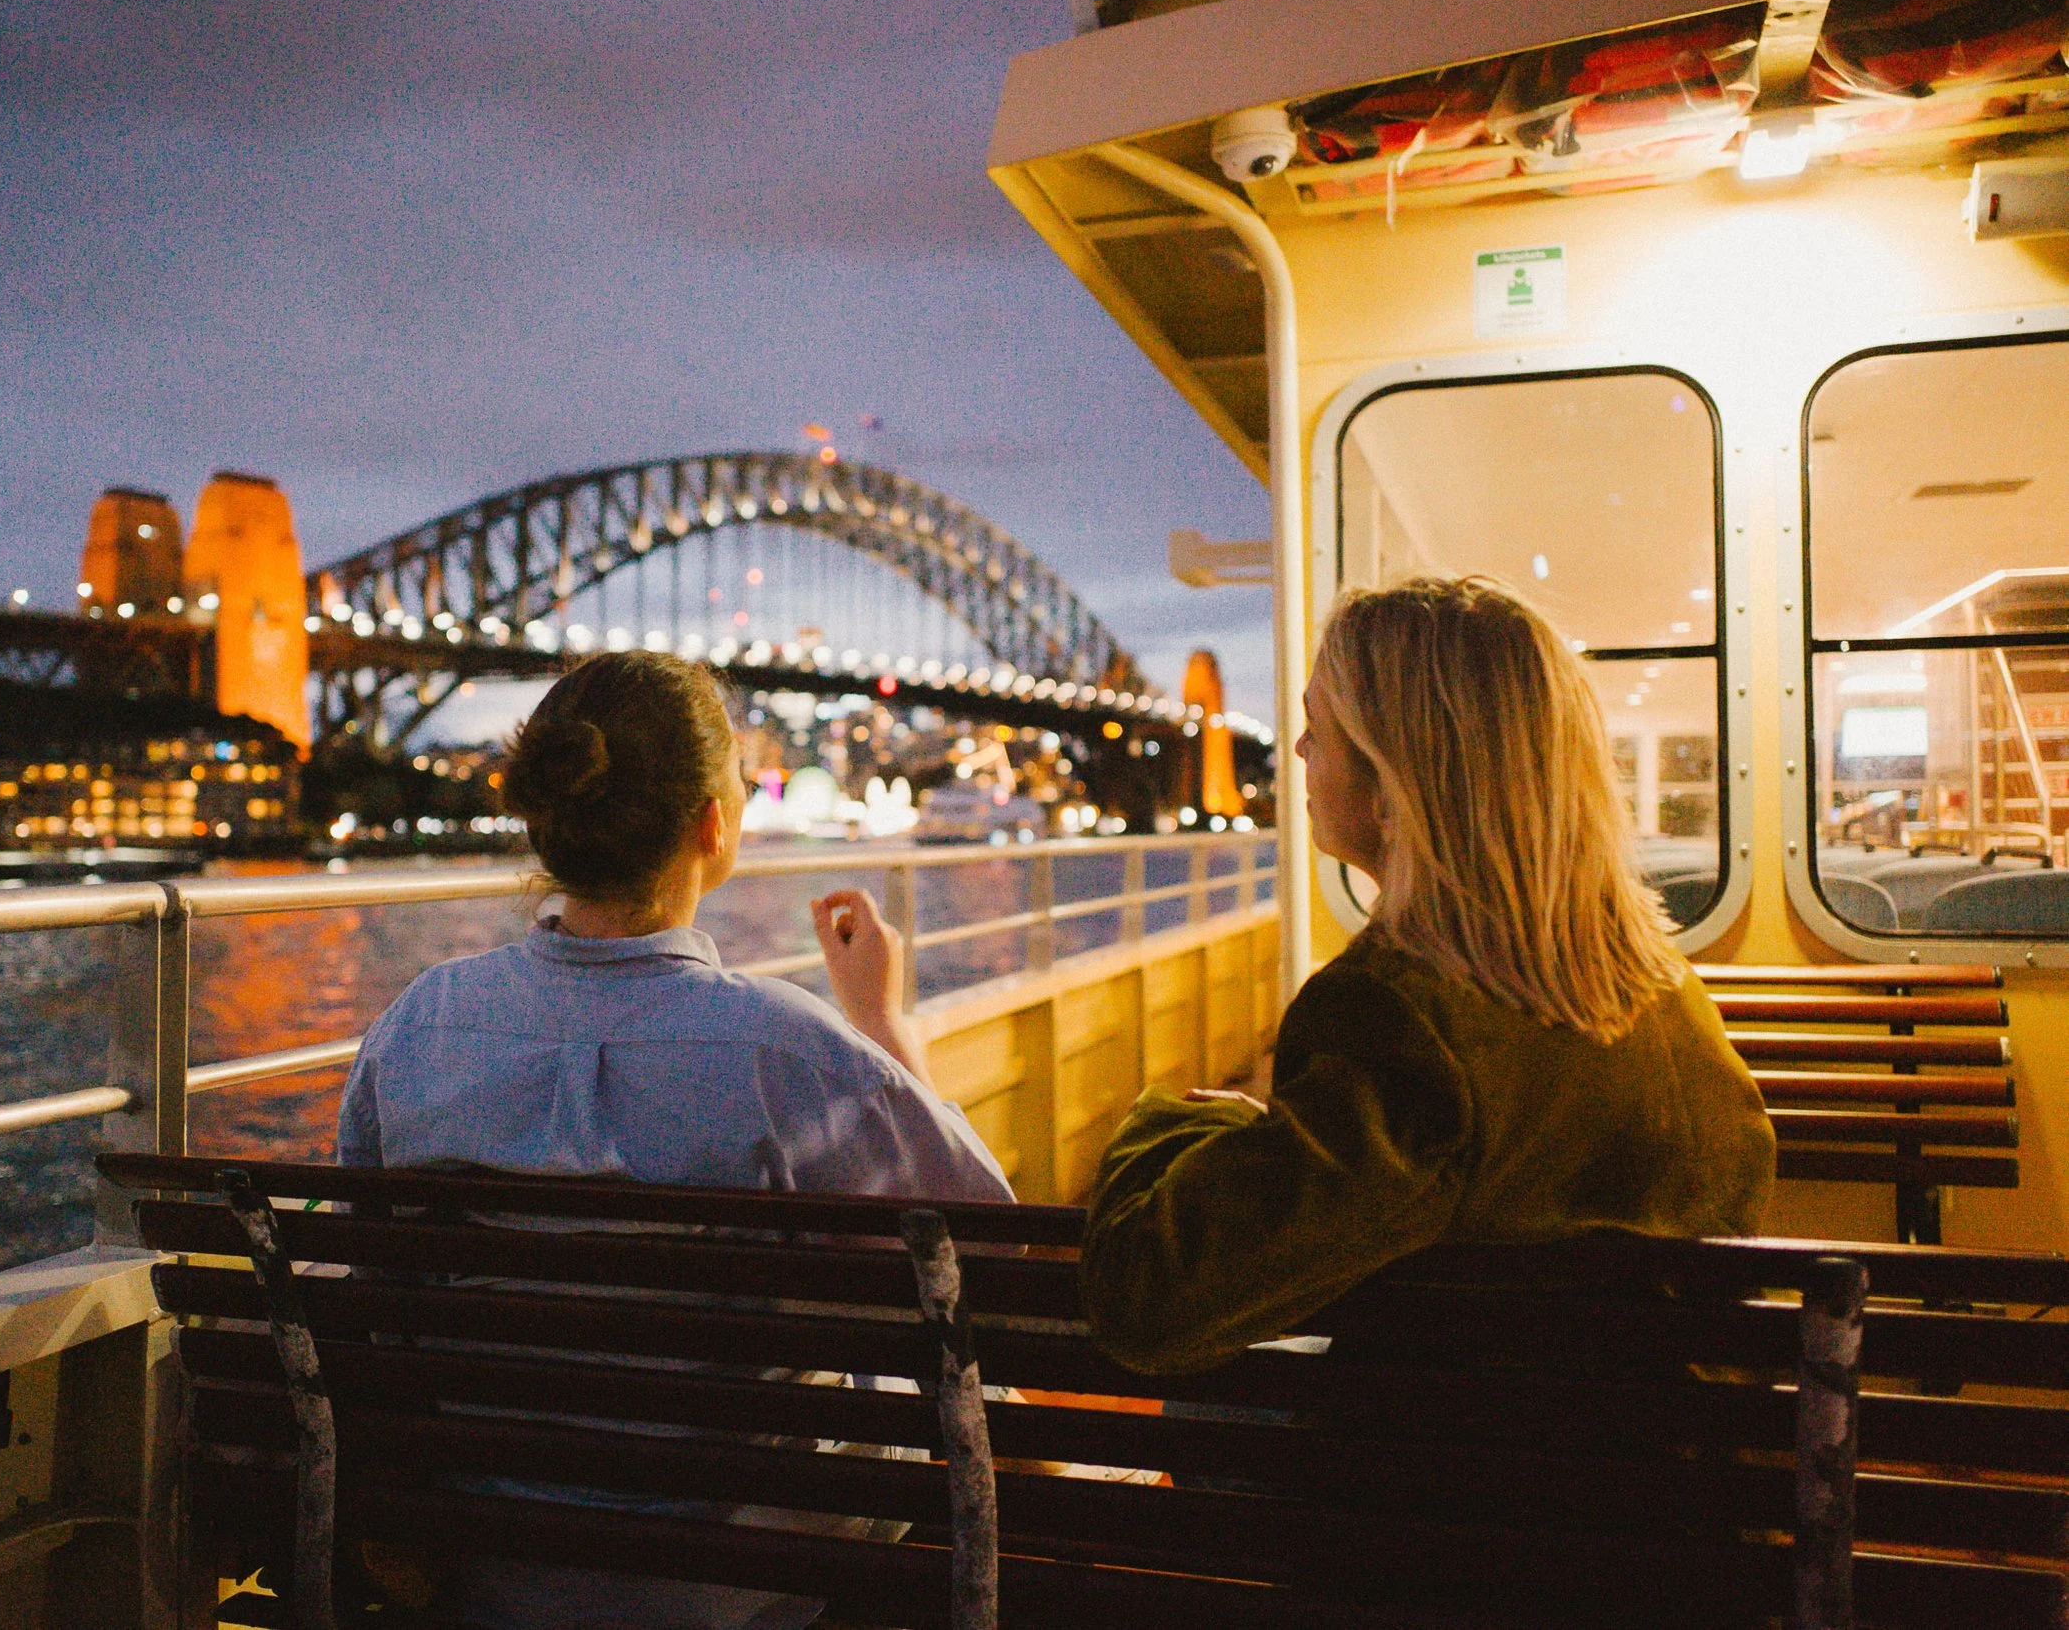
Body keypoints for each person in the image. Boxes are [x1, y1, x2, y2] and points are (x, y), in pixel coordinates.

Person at [337, 650, 1010, 1629]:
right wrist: (886, 1032)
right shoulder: (793, 1057)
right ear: (712, 822)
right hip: (748, 1583)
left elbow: (370, 1276)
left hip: (499, 1572)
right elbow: (996, 1259)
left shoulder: (416, 1025)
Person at [1080, 576, 1775, 1375]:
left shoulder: (1391, 1019)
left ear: (1387, 784)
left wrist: (1170, 1122)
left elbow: (1146, 1301)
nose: (1298, 752)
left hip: (1455, 1483)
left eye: (1317, 728)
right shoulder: (1665, 991)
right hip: (1685, 1473)